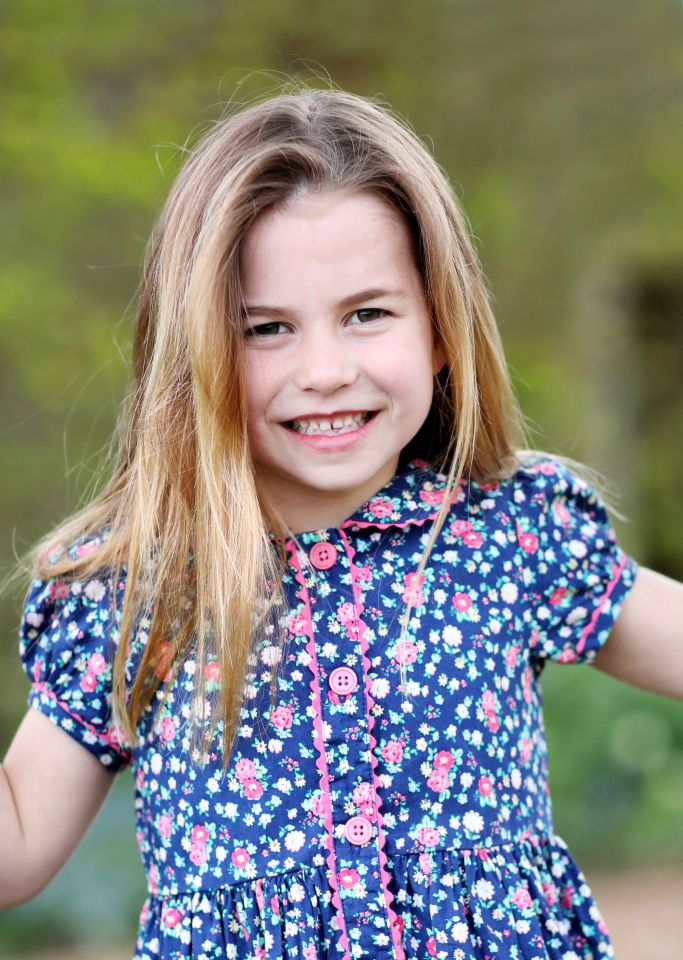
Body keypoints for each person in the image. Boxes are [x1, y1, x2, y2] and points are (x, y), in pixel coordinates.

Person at [1, 86, 681, 960]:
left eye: (366, 315)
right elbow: (17, 843)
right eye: (266, 330)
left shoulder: (509, 532)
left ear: (440, 325)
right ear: (194, 350)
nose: (323, 370)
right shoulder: (140, 581)